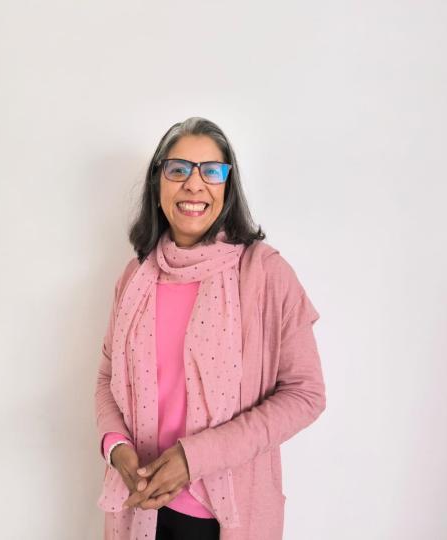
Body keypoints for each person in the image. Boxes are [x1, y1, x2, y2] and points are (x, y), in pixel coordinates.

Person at [94, 116, 326, 540]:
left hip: (224, 519)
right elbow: (107, 378)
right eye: (178, 169)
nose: (194, 184)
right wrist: (116, 447)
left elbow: (305, 394)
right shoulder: (134, 278)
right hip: (137, 508)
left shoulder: (265, 274)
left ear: (227, 186)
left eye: (211, 171)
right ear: (157, 182)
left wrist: (195, 458)